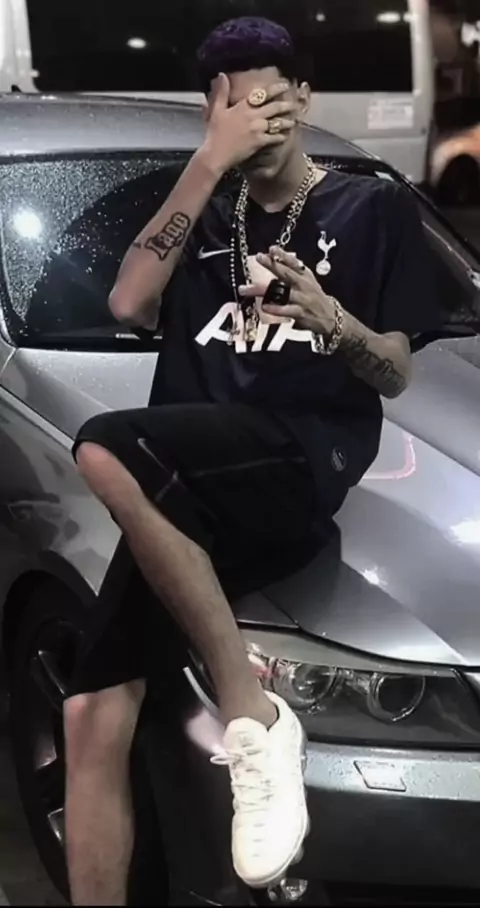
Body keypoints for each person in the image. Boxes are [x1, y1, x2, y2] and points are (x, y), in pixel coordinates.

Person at [63, 15, 436, 906]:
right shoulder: (202, 204)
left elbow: (395, 371)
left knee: (104, 444)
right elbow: (128, 303)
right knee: (87, 710)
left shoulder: (370, 208)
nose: (254, 116)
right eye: (231, 102)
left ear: (303, 98)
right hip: (185, 478)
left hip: (299, 454)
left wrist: (332, 320)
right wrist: (207, 161)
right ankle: (254, 724)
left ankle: (250, 714)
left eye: (270, 97)